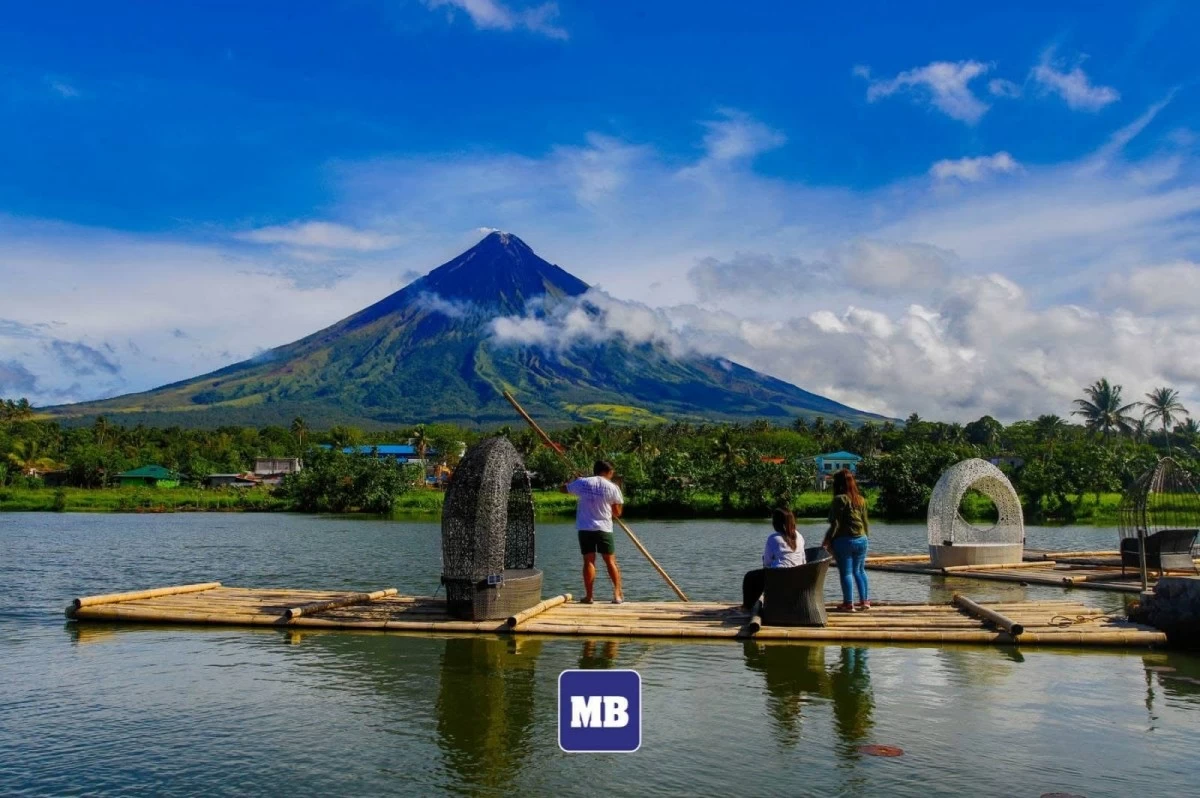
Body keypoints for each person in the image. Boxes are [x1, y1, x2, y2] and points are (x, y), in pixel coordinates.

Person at [563, 460, 625, 604]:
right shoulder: (612, 487)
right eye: (611, 473)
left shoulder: (582, 483)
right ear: (607, 472)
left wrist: (574, 481)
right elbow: (617, 513)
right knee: (610, 561)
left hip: (586, 528)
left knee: (589, 561)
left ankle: (589, 596)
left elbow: (563, 489)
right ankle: (617, 595)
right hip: (604, 528)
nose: (612, 475)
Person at [822, 468, 870, 611]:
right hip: (862, 539)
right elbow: (865, 522)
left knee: (846, 573)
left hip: (844, 541)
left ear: (839, 484)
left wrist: (826, 540)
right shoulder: (861, 499)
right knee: (860, 571)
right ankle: (865, 601)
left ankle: (848, 604)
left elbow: (835, 524)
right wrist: (866, 537)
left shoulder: (839, 499)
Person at [741, 508, 806, 610]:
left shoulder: (774, 538)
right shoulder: (799, 536)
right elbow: (803, 559)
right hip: (798, 576)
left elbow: (767, 562)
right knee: (760, 575)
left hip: (778, 578)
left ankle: (747, 606)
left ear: (776, 523)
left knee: (750, 577)